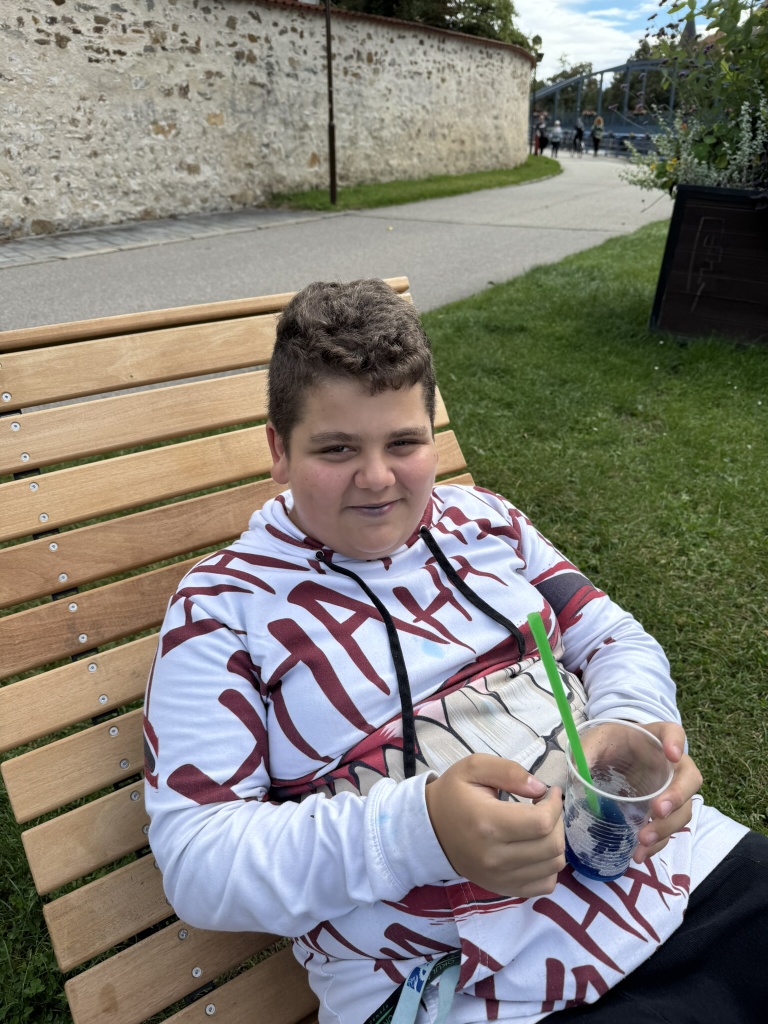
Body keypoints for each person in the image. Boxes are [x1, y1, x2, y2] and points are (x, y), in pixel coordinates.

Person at [144, 279, 767, 1024]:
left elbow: (610, 634)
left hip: (679, 876)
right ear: (279, 450)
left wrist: (631, 724)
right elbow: (199, 860)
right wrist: (420, 832)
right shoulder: (221, 607)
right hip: (474, 982)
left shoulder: (487, 522)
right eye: (337, 448)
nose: (377, 478)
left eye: (404, 443)